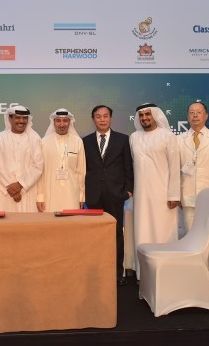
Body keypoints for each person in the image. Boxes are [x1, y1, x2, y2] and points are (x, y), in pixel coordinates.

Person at [177, 101, 209, 291]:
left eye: (198, 112)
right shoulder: (179, 139)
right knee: (192, 240)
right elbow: (176, 171)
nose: (195, 116)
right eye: (191, 112)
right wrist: (178, 195)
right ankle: (196, 277)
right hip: (188, 198)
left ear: (206, 115)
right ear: (187, 116)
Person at [83, 105, 134, 285]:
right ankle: (96, 271)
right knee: (95, 235)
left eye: (105, 116)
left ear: (111, 118)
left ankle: (117, 273)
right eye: (98, 116)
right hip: (93, 195)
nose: (102, 119)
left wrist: (128, 190)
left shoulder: (123, 139)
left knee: (116, 234)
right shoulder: (85, 141)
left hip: (115, 194)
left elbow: (128, 167)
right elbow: (83, 169)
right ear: (93, 119)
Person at [129, 103, 180, 281]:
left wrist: (174, 195)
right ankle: (144, 275)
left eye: (148, 114)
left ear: (155, 116)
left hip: (163, 195)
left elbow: (175, 167)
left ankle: (167, 273)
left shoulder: (167, 136)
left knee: (163, 233)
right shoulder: (134, 137)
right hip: (141, 196)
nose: (144, 118)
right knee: (143, 233)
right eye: (141, 115)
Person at [0, 105, 43, 212]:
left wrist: (21, 185)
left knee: (27, 221)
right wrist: (10, 189)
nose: (21, 121)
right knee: (4, 221)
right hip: (4, 193)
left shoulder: (34, 139)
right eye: (17, 118)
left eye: (24, 118)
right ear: (10, 118)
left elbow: (38, 165)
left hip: (27, 192)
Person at [36, 108, 86, 212]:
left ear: (69, 122)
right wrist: (40, 197)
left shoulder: (78, 141)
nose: (62, 124)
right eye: (58, 121)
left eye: (65, 121)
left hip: (72, 194)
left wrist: (81, 196)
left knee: (71, 220)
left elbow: (81, 172)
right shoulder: (44, 142)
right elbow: (41, 173)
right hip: (50, 193)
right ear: (53, 122)